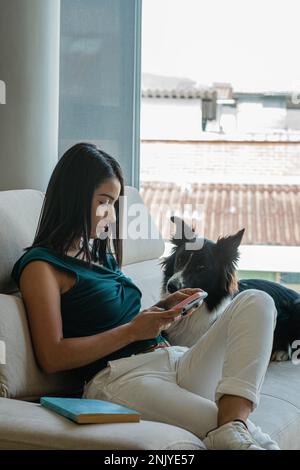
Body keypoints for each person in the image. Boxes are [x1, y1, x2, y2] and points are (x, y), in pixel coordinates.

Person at [11, 142, 280, 450]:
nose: (111, 214)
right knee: (240, 434)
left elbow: (122, 320)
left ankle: (234, 425)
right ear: (74, 197)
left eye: (114, 203)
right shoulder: (41, 267)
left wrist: (162, 309)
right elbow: (52, 356)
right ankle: (234, 428)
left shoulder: (100, 256)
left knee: (258, 300)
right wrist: (133, 330)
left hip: (170, 359)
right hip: (119, 378)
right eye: (104, 201)